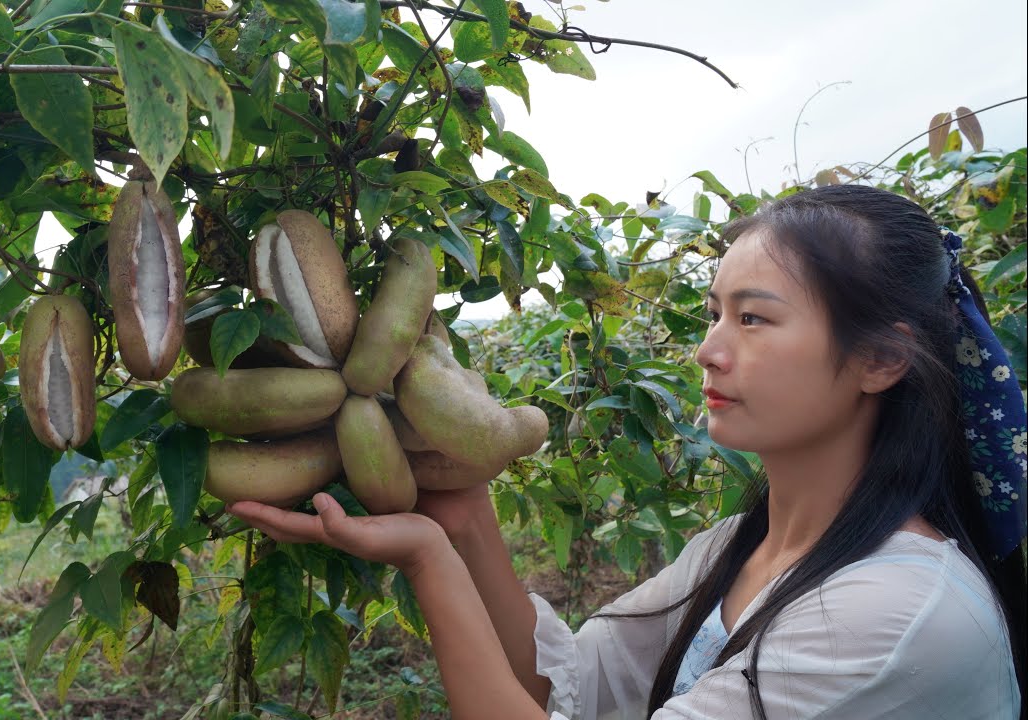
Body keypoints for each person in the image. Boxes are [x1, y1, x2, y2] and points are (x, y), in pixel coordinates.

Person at [226, 185, 1026, 719]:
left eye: (754, 319)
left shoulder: (893, 617)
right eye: (714, 313)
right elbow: (571, 688)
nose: (710, 350)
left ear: (881, 359)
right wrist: (465, 518)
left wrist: (430, 561)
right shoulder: (735, 550)